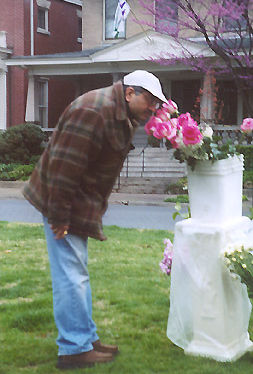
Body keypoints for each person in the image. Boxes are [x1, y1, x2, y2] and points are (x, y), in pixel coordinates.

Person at [23, 70, 167, 370]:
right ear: (130, 93)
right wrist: (60, 216)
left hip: (75, 201)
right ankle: (74, 349)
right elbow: (64, 167)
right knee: (70, 276)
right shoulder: (94, 111)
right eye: (150, 101)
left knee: (77, 272)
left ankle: (85, 338)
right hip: (62, 202)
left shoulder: (117, 111)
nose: (153, 108)